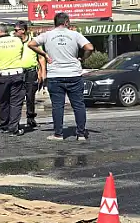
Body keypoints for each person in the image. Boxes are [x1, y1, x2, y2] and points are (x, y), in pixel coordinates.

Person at [29, 12, 94, 141]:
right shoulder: (75, 35)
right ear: (66, 22)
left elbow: (31, 44)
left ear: (55, 23)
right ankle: (81, 133)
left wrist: (45, 54)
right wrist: (82, 58)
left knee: (57, 106)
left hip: (55, 75)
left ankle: (58, 134)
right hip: (74, 74)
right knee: (78, 105)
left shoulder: (47, 35)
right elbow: (90, 47)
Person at [0, 24, 28, 136]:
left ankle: (4, 125)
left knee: (3, 101)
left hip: (2, 76)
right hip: (17, 74)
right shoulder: (18, 41)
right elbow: (21, 55)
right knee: (15, 102)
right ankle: (13, 127)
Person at [14, 21, 44, 131]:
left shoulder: (33, 41)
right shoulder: (14, 42)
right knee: (17, 97)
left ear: (23, 30)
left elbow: (41, 57)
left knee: (30, 96)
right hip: (18, 71)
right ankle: (15, 120)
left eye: (17, 30)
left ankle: (31, 118)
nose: (15, 32)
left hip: (31, 71)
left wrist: (42, 73)